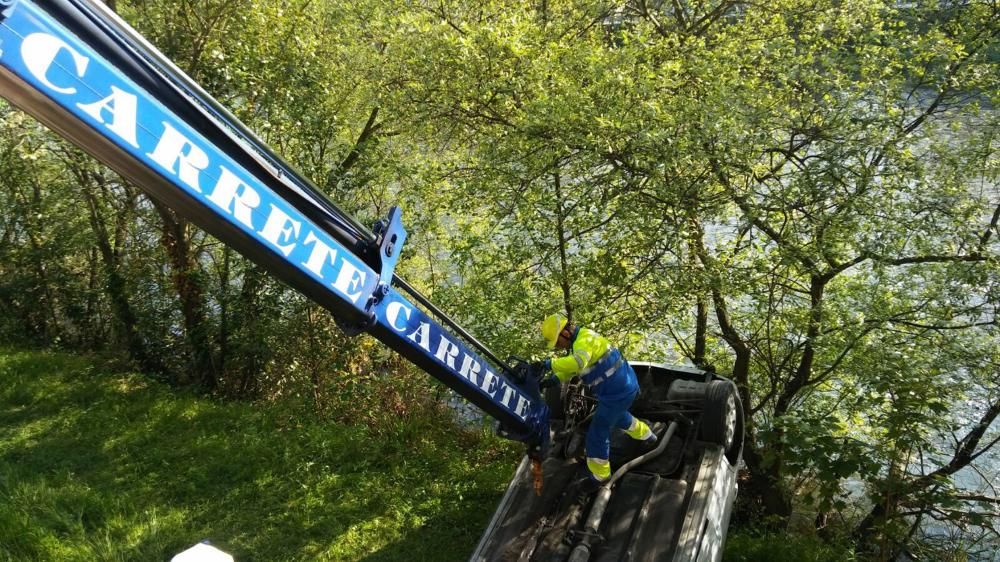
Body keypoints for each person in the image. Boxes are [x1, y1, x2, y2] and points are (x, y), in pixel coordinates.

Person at [537, 313, 656, 486]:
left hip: (617, 393)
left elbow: (577, 363)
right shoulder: (583, 339)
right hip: (622, 389)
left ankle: (600, 476)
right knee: (620, 417)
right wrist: (554, 379)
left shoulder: (583, 341)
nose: (557, 346)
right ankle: (648, 436)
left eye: (557, 341)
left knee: (598, 432)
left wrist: (550, 364)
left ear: (565, 333)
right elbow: (576, 368)